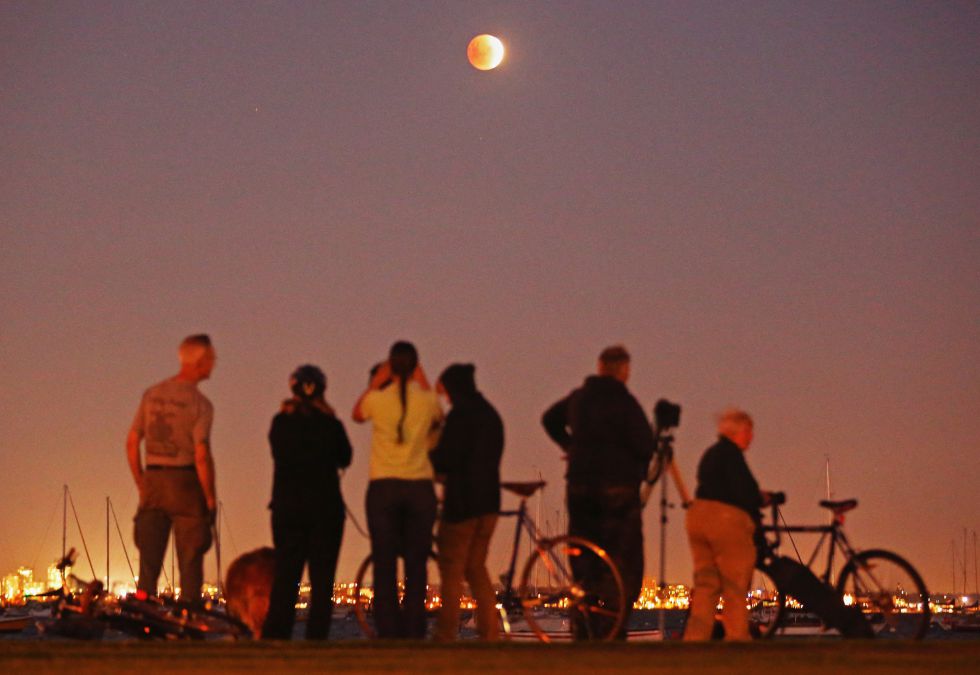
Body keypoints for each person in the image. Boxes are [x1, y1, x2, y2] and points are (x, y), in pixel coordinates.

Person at [541, 345, 655, 639]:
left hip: (579, 486)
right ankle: (612, 624)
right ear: (624, 371)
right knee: (623, 559)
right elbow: (645, 443)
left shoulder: (580, 398)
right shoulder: (625, 402)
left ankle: (585, 624)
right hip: (617, 489)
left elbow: (549, 419)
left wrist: (570, 447)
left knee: (583, 557)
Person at [352, 341, 442, 638]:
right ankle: (414, 628)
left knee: (384, 562)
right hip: (419, 487)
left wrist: (377, 382)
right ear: (415, 366)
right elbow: (438, 416)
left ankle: (388, 629)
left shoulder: (378, 400)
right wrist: (421, 376)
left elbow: (357, 414)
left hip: (384, 486)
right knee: (417, 563)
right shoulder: (426, 400)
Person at [262, 365, 352, 640]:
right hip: (326, 510)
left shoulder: (281, 423)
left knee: (286, 577)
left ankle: (276, 636)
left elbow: (277, 451)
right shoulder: (331, 425)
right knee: (322, 581)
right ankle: (317, 639)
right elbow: (345, 457)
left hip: (288, 509)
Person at [127, 334, 217, 602]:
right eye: (212, 358)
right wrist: (209, 498)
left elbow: (132, 442)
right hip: (186, 482)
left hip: (154, 478)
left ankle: (142, 611)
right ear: (200, 362)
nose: (214, 364)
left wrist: (141, 483)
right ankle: (188, 615)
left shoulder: (152, 395)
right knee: (190, 560)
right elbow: (201, 454)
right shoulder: (201, 405)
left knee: (148, 561)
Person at [429, 363, 504, 642]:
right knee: (476, 568)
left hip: (462, 505)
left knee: (451, 570)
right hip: (489, 503)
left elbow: (446, 458)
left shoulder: (460, 417)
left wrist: (429, 456)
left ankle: (446, 633)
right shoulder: (491, 416)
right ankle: (490, 632)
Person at [683, 408, 770, 641]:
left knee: (706, 584)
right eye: (749, 431)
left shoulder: (710, 454)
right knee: (735, 584)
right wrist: (762, 501)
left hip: (697, 517)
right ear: (738, 432)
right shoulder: (733, 456)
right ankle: (738, 637)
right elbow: (745, 492)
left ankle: (695, 638)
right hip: (725, 521)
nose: (751, 437)